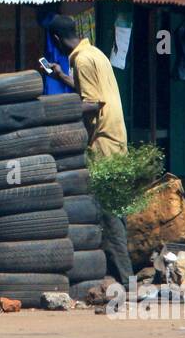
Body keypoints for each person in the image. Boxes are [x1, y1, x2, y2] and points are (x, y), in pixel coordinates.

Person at [45, 14, 135, 284]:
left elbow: (93, 103)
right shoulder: (95, 53)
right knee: (116, 209)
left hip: (103, 142)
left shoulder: (81, 60)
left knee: (108, 214)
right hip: (117, 138)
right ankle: (120, 275)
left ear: (57, 40)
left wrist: (57, 109)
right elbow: (93, 93)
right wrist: (62, 77)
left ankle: (126, 279)